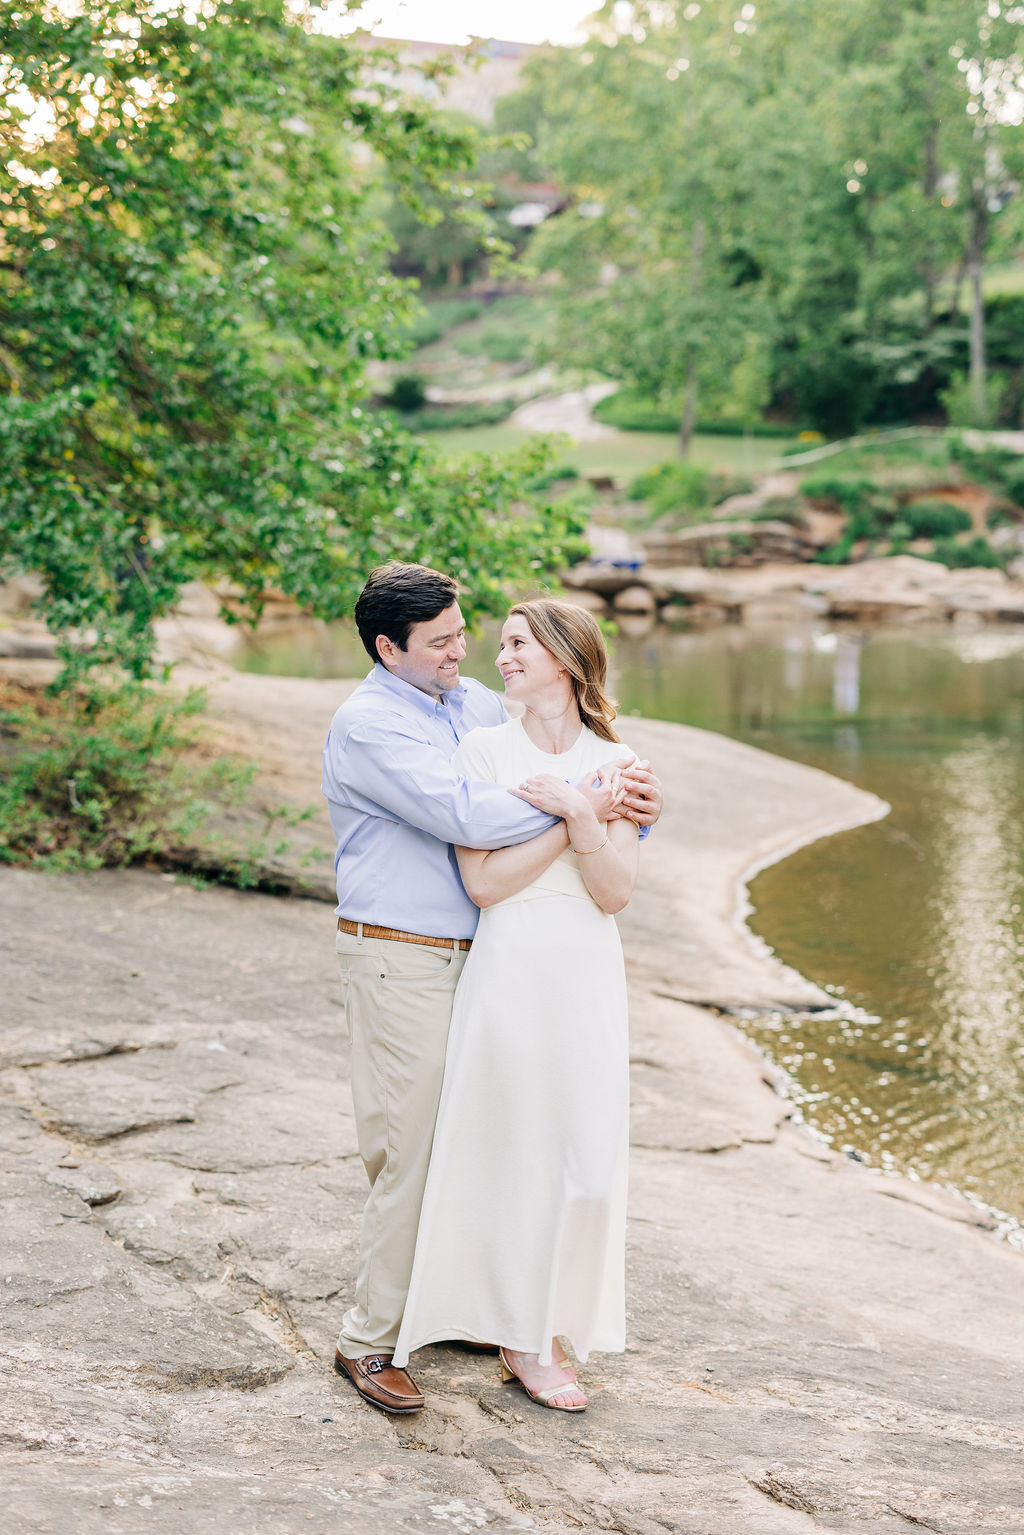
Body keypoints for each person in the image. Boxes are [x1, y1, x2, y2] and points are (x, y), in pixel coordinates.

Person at [322, 563, 662, 1415]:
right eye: (440, 642)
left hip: (482, 956)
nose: (462, 653)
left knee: (483, 1137)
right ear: (386, 648)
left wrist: (629, 802)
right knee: (410, 1145)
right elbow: (472, 821)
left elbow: (566, 761)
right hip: (400, 951)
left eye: (464, 633)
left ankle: (485, 1304)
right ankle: (369, 1338)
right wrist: (588, 803)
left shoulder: (465, 703)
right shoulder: (369, 726)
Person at [391, 598, 639, 1411]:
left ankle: (551, 1315)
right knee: (520, 1148)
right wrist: (575, 817)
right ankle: (524, 1334)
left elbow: (614, 894)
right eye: (498, 644)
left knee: (588, 1159)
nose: (500, 656)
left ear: (565, 659)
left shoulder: (618, 759)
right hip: (512, 966)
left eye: (518, 644)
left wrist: (579, 810)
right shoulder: (483, 750)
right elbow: (486, 884)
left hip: (587, 970)